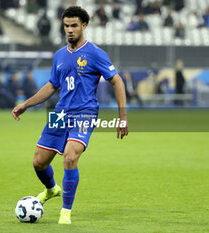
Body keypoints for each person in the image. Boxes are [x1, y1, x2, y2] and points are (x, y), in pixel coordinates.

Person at [12, 6, 128, 224]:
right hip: (60, 113)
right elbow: (51, 86)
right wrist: (26, 104)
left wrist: (123, 116)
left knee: (70, 156)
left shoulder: (95, 53)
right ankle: (51, 189)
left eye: (74, 25)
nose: (70, 30)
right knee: (38, 162)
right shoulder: (59, 56)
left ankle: (66, 212)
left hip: (85, 113)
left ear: (84, 25)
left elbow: (117, 81)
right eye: (66, 26)